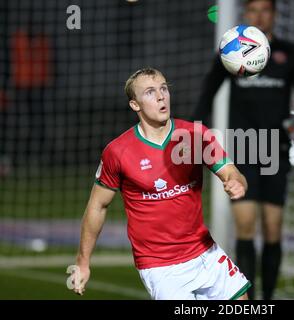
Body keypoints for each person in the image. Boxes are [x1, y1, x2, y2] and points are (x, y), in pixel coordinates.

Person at [71, 67, 251, 300]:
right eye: (149, 92)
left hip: (205, 252)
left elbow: (230, 171)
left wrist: (236, 181)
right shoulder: (118, 152)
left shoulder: (196, 135)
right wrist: (83, 262)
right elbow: (97, 206)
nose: (160, 96)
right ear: (135, 105)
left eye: (164, 88)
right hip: (160, 267)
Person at [192, 0, 294, 299]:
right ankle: (250, 302)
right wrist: (196, 130)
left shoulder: (291, 54)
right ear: (244, 15)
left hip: (276, 151)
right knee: (245, 226)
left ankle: (268, 299)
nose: (258, 16)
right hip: (244, 150)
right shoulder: (230, 53)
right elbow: (207, 94)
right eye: (252, 10)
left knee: (273, 229)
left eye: (265, 10)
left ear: (274, 15)